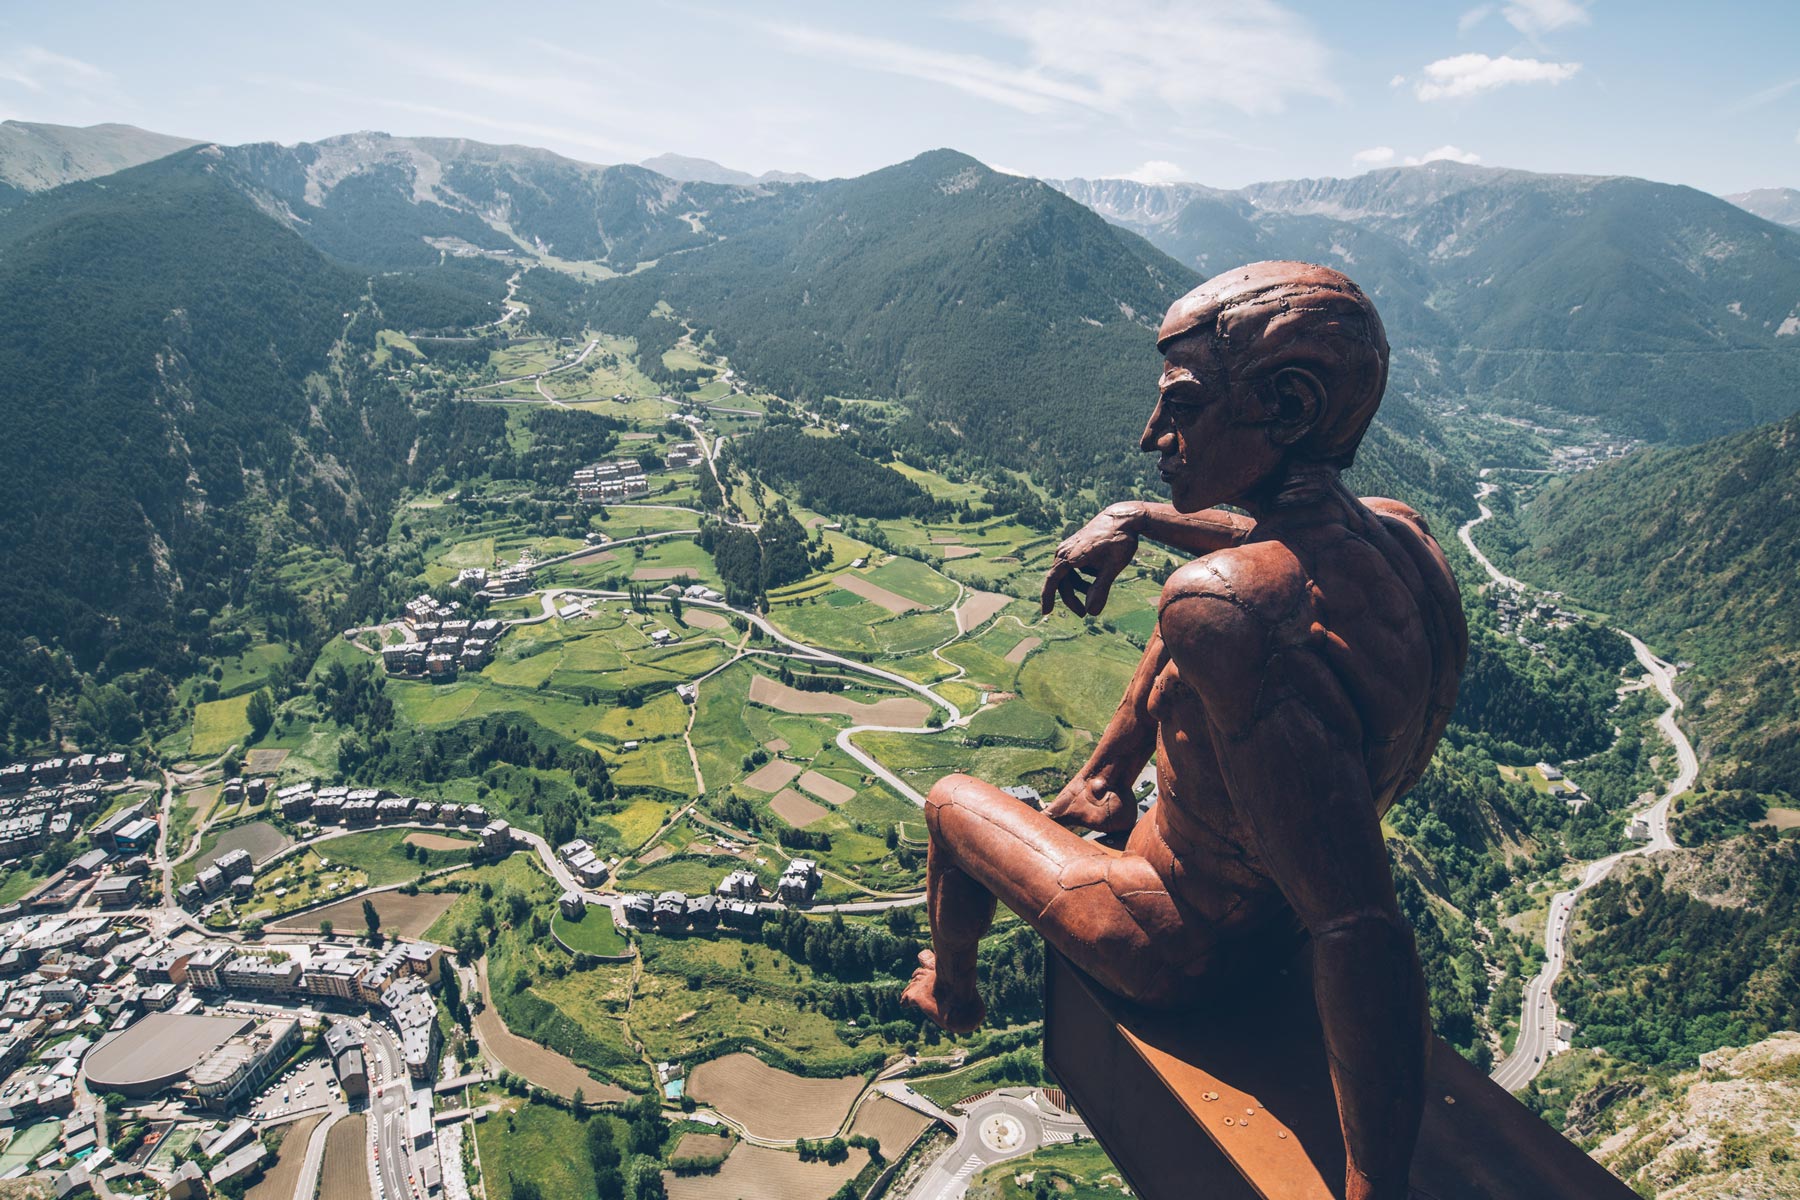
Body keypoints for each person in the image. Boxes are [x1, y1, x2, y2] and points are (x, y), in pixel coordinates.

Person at [901, 262, 1467, 1200]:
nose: (1152, 437)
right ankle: (1100, 779)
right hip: (1268, 917)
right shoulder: (1403, 541)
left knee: (953, 805)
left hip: (1186, 939)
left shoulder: (1236, 607)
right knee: (1202, 609)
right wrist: (1135, 517)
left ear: (1287, 405)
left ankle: (949, 989)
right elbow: (1272, 540)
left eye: (1183, 407)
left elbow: (1361, 922)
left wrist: (1374, 1186)